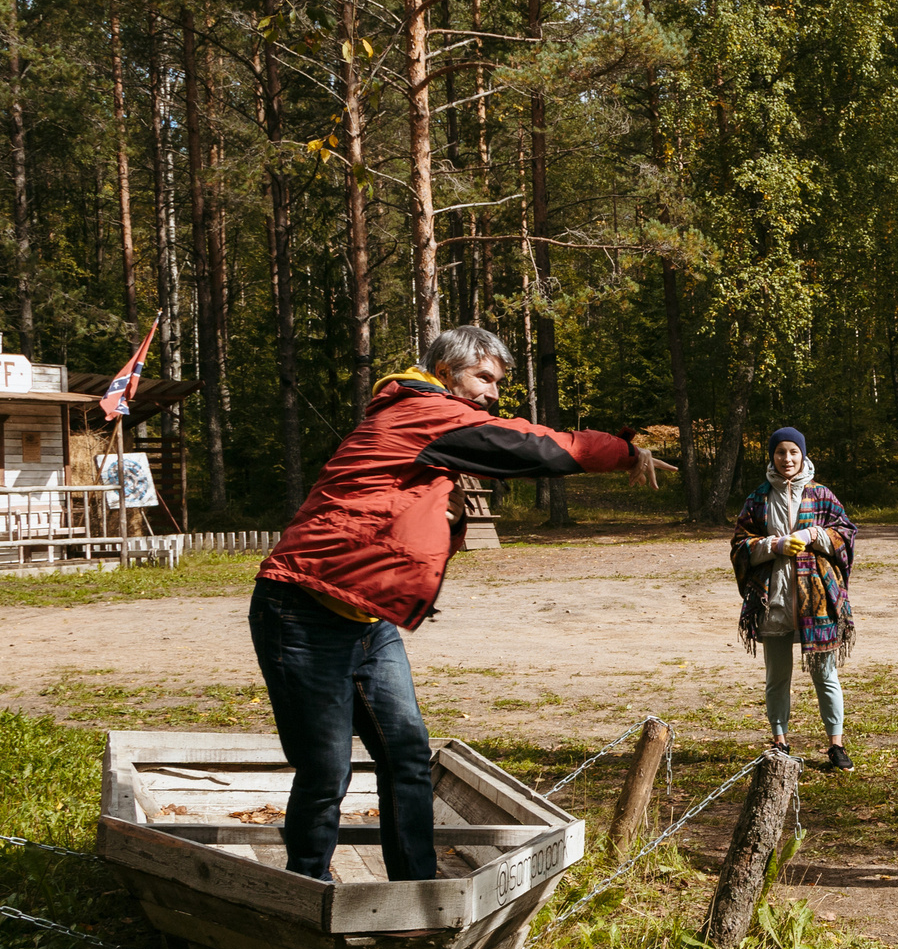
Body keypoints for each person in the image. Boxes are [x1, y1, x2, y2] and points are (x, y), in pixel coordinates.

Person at [250, 324, 671, 882]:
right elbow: (532, 447)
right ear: (446, 372)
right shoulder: (419, 411)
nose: (494, 393)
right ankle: (308, 889)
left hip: (363, 620)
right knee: (326, 770)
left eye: (498, 383)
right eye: (484, 378)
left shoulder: (427, 417)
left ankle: (420, 891)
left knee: (405, 756)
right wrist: (622, 452)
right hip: (301, 608)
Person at [730, 427, 857, 771]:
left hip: (817, 599)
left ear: (803, 456)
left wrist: (814, 534)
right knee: (777, 676)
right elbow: (740, 544)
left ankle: (836, 744)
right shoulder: (758, 497)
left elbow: (845, 534)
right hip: (773, 599)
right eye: (780, 452)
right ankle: (780, 740)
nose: (787, 459)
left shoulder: (822, 495)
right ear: (771, 456)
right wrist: (773, 546)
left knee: (825, 674)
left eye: (793, 453)